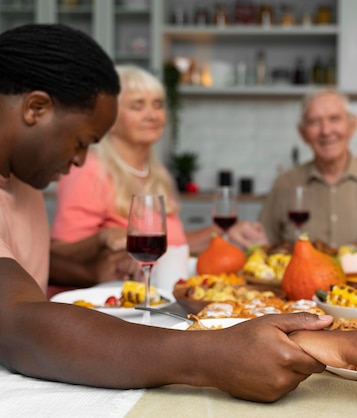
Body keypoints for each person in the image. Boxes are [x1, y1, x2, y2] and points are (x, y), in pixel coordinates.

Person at [0, 23, 332, 402]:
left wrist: (94, 263)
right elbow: (17, 323)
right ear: (35, 108)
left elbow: (22, 263)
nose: (80, 161)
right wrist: (212, 354)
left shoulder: (22, 178)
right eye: (80, 143)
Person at [50, 64, 268, 293]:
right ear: (110, 118)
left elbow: (170, 246)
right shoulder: (89, 169)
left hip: (147, 296)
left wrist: (224, 233)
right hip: (100, 304)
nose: (152, 115)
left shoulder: (156, 172)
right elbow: (58, 255)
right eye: (137, 106)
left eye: (158, 105)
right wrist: (104, 238)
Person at [258, 88, 357, 250]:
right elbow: (262, 244)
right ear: (302, 133)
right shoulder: (284, 183)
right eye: (314, 122)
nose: (326, 131)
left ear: (352, 125)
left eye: (334, 119)